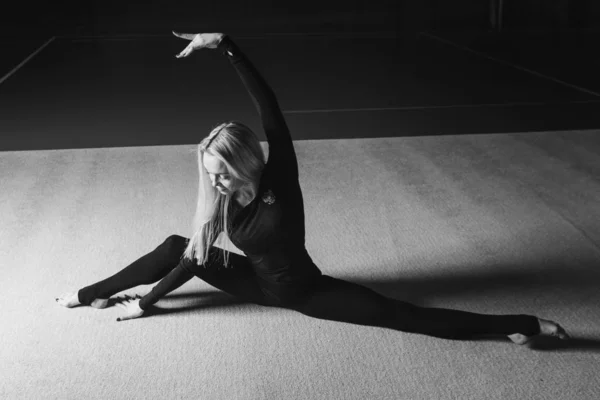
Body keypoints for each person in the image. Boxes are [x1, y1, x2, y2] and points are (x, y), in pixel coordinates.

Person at [57, 31, 570, 345]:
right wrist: (148, 301)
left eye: (220, 169)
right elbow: (193, 257)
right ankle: (89, 293)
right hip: (253, 281)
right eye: (207, 170)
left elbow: (270, 109)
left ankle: (520, 322)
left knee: (403, 316)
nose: (212, 180)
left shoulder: (281, 175)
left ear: (243, 160)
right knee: (175, 245)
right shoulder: (217, 198)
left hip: (306, 292)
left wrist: (227, 44)